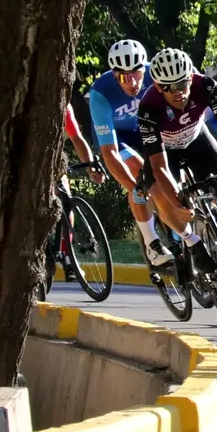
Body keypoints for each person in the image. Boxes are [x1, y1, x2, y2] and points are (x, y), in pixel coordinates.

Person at [136, 48, 217, 274]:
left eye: (182, 84)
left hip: (198, 141)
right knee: (162, 196)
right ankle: (191, 241)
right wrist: (178, 204)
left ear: (190, 77)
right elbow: (159, 167)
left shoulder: (206, 86)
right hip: (167, 153)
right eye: (169, 88)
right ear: (158, 87)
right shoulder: (148, 108)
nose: (178, 92)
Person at [88, 39, 174, 267]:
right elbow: (110, 153)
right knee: (139, 173)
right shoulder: (100, 92)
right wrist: (134, 188)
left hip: (144, 128)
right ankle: (152, 242)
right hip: (116, 137)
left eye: (137, 74)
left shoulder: (155, 74)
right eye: (125, 77)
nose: (133, 82)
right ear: (115, 75)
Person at [57, 103, 106, 281]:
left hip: (51, 160)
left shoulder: (64, 108)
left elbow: (77, 139)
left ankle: (67, 256)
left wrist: (91, 166)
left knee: (66, 198)